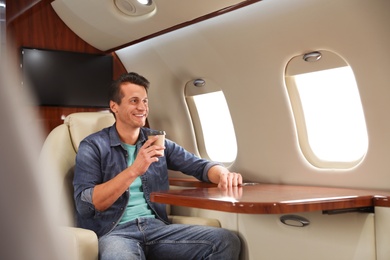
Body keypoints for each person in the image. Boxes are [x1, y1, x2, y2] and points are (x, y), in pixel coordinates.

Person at [73, 72, 243, 260]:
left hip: (157, 229)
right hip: (115, 233)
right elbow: (85, 205)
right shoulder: (92, 146)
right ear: (114, 106)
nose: (142, 108)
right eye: (134, 101)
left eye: (145, 101)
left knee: (226, 241)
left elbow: (200, 166)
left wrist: (223, 174)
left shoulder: (156, 141)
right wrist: (135, 169)